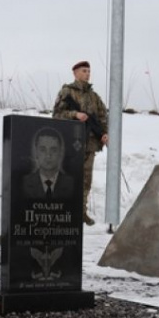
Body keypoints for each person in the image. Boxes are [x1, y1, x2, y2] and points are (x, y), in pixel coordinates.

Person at [52, 61, 108, 225]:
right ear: (75, 73)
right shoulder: (67, 92)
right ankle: (63, 211)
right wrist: (75, 114)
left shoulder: (94, 96)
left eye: (89, 71)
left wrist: (104, 133)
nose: (87, 74)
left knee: (85, 180)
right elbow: (57, 115)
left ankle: (80, 212)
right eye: (84, 71)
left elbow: (103, 116)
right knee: (67, 177)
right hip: (70, 143)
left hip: (89, 144)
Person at [22, 127, 75, 199]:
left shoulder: (71, 184)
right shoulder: (24, 183)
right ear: (36, 152)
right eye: (43, 150)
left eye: (53, 150)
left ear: (60, 152)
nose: (48, 155)